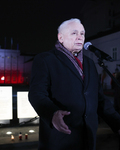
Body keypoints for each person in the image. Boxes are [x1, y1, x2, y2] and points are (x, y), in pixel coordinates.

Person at [28, 18, 120, 150]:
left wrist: (117, 123)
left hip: (88, 138)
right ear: (61, 38)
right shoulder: (45, 60)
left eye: (82, 33)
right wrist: (52, 113)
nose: (80, 37)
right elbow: (36, 94)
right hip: (60, 138)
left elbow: (99, 100)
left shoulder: (89, 63)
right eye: (74, 33)